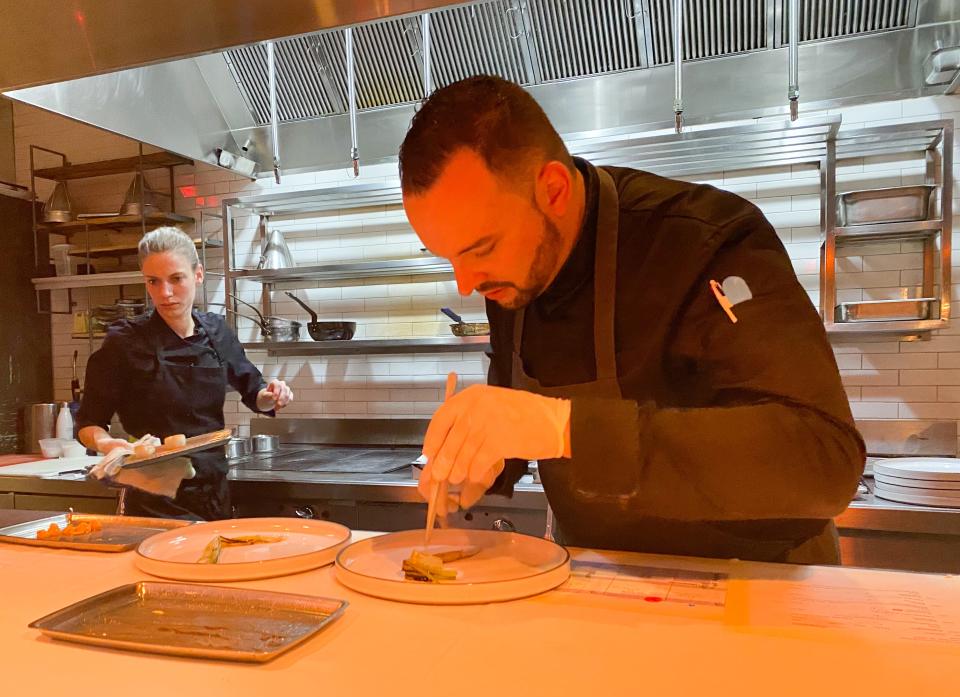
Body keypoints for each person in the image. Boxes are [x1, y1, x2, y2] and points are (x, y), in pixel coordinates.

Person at [400, 75, 865, 564]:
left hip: (759, 585)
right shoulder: (510, 279)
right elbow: (518, 416)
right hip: (599, 583)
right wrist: (480, 462)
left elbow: (823, 461)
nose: (465, 284)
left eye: (481, 249)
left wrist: (564, 428)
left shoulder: (704, 240)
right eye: (448, 258)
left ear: (553, 191)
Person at [76, 226, 293, 520]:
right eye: (154, 282)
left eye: (176, 279)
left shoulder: (216, 331)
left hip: (213, 490)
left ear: (198, 274)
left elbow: (255, 393)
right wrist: (105, 443)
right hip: (153, 499)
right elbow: (89, 422)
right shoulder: (125, 340)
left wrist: (273, 395)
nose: (165, 293)